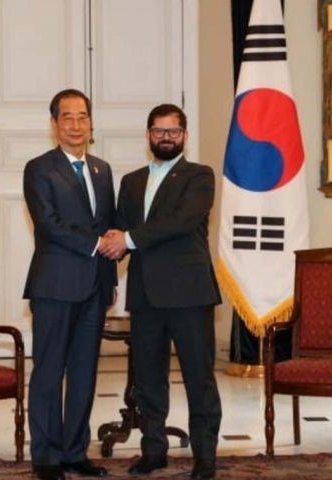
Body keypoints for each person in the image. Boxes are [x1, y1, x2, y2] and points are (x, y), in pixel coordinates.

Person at [100, 104, 222, 480]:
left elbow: (183, 222)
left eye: (173, 131)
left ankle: (205, 457)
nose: (165, 137)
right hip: (146, 296)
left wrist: (129, 238)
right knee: (148, 380)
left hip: (189, 292)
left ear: (184, 135)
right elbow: (118, 231)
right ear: (148, 135)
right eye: (158, 131)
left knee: (199, 378)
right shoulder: (132, 181)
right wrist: (109, 255)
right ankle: (153, 451)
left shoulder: (199, 176)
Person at [23, 89, 116, 480]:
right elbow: (49, 224)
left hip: (95, 288)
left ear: (91, 123)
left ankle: (75, 451)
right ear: (54, 124)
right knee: (49, 372)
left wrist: (111, 268)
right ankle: (46, 457)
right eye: (67, 118)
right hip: (55, 287)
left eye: (82, 117)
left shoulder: (102, 169)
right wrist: (98, 244)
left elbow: (107, 223)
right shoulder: (39, 169)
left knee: (84, 372)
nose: (76, 125)